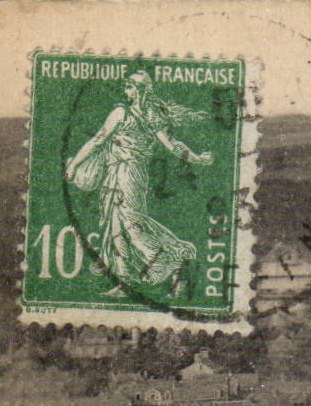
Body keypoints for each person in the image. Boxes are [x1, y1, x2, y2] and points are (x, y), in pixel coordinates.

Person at [64, 70, 213, 297]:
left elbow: (98, 141)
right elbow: (172, 144)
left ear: (140, 90)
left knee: (132, 227)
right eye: (127, 87)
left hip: (127, 174)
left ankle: (177, 262)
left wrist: (74, 165)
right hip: (122, 174)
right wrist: (197, 158)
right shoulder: (142, 114)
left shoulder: (126, 114)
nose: (126, 91)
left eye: (130, 87)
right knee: (117, 227)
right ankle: (125, 282)